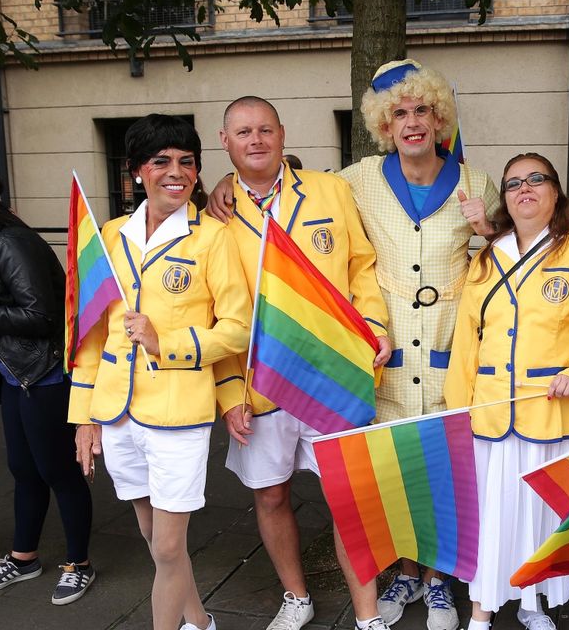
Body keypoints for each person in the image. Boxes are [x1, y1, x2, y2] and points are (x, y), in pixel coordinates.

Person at [207, 62, 501, 630]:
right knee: (382, 477)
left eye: (422, 111)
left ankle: (436, 582)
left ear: (440, 118)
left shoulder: (475, 184)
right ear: (382, 125)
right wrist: (226, 185)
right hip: (323, 368)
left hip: (423, 355)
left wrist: (490, 233)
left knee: (430, 471)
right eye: (398, 114)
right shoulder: (355, 179)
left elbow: (514, 245)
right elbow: (277, 193)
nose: (412, 123)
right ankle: (398, 577)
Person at [207, 96, 392, 630]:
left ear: (283, 134)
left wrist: (374, 327)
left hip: (331, 373)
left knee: (348, 497)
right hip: (258, 383)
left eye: (265, 129)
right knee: (270, 493)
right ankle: (296, 598)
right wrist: (227, 395)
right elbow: (213, 310)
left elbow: (363, 266)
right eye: (244, 132)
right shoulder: (213, 218)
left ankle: (366, 613)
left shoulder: (331, 191)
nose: (256, 140)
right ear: (226, 142)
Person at [70, 114, 252, 630]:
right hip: (117, 413)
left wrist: (164, 342)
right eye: (162, 162)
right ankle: (201, 621)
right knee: (156, 544)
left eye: (187, 162)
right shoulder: (108, 236)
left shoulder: (213, 239)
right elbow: (92, 335)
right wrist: (85, 418)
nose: (177, 172)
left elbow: (238, 329)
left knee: (170, 547)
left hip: (178, 413)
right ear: (136, 173)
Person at [443, 152, 569, 630]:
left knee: (539, 516)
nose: (525, 188)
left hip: (554, 410)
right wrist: (459, 411)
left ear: (557, 192)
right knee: (490, 517)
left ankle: (534, 603)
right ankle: (481, 609)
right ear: (505, 200)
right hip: (491, 411)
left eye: (537, 179)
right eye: (514, 183)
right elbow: (466, 342)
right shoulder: (487, 258)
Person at [0, 175, 95, 605]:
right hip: (14, 375)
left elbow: (42, 316)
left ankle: (79, 564)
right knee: (24, 470)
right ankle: (24, 558)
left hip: (44, 375)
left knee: (60, 471)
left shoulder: (10, 242)